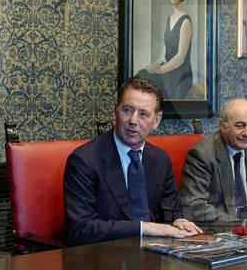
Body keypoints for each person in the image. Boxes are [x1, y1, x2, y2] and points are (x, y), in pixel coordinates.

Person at [63, 77, 202, 245]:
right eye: (127, 110)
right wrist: (144, 228)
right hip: (106, 254)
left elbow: (173, 208)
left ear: (156, 120)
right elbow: (80, 230)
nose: (133, 121)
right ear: (115, 111)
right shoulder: (84, 161)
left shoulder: (159, 159)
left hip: (156, 253)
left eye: (143, 114)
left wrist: (180, 220)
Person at [180, 98, 247, 222]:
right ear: (223, 126)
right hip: (221, 228)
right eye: (240, 126)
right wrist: (240, 225)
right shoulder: (202, 154)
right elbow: (195, 206)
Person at [137, 0, 193, 99]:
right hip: (168, 70)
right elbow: (165, 52)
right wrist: (154, 66)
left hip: (179, 76)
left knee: (148, 83)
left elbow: (180, 58)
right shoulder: (169, 19)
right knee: (141, 75)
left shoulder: (186, 21)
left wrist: (160, 70)